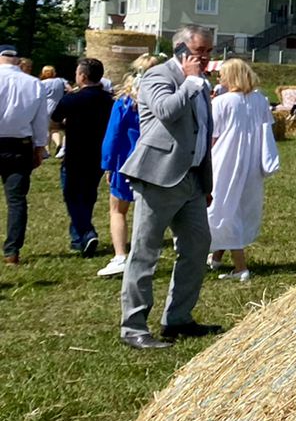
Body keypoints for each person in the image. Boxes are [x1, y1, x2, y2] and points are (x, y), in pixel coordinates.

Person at [117, 24, 221, 350]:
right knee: (145, 253)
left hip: (191, 181)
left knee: (196, 247)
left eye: (209, 51)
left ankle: (178, 319)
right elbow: (165, 111)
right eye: (200, 51)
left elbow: (202, 133)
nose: (206, 58)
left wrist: (205, 182)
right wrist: (190, 81)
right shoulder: (158, 77)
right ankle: (134, 327)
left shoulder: (200, 84)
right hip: (158, 178)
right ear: (181, 50)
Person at [206, 59, 279, 283]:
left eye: (222, 75)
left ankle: (240, 267)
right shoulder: (261, 100)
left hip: (225, 161)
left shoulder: (221, 102)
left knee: (222, 209)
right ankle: (217, 255)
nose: (219, 79)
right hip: (251, 163)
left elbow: (213, 135)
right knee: (238, 206)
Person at [96, 55, 159, 278]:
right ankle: (146, 256)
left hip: (127, 162)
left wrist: (108, 165)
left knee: (118, 210)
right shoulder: (163, 100)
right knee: (150, 214)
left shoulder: (125, 101)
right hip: (156, 161)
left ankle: (121, 255)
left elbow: (113, 135)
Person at [53, 58, 114, 258]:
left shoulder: (72, 99)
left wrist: (66, 125)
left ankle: (86, 232)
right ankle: (78, 238)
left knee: (71, 196)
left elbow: (54, 119)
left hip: (75, 155)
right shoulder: (110, 100)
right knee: (88, 196)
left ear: (83, 76)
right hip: (98, 155)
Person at [0, 43, 50, 264]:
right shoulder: (34, 84)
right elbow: (41, 121)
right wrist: (40, 147)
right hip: (19, 145)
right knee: (16, 200)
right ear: (18, 61)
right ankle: (12, 251)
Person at [39, 64, 68, 157]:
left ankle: (46, 151)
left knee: (46, 130)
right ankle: (59, 144)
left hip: (46, 106)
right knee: (55, 128)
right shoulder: (61, 80)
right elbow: (70, 90)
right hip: (59, 106)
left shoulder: (42, 83)